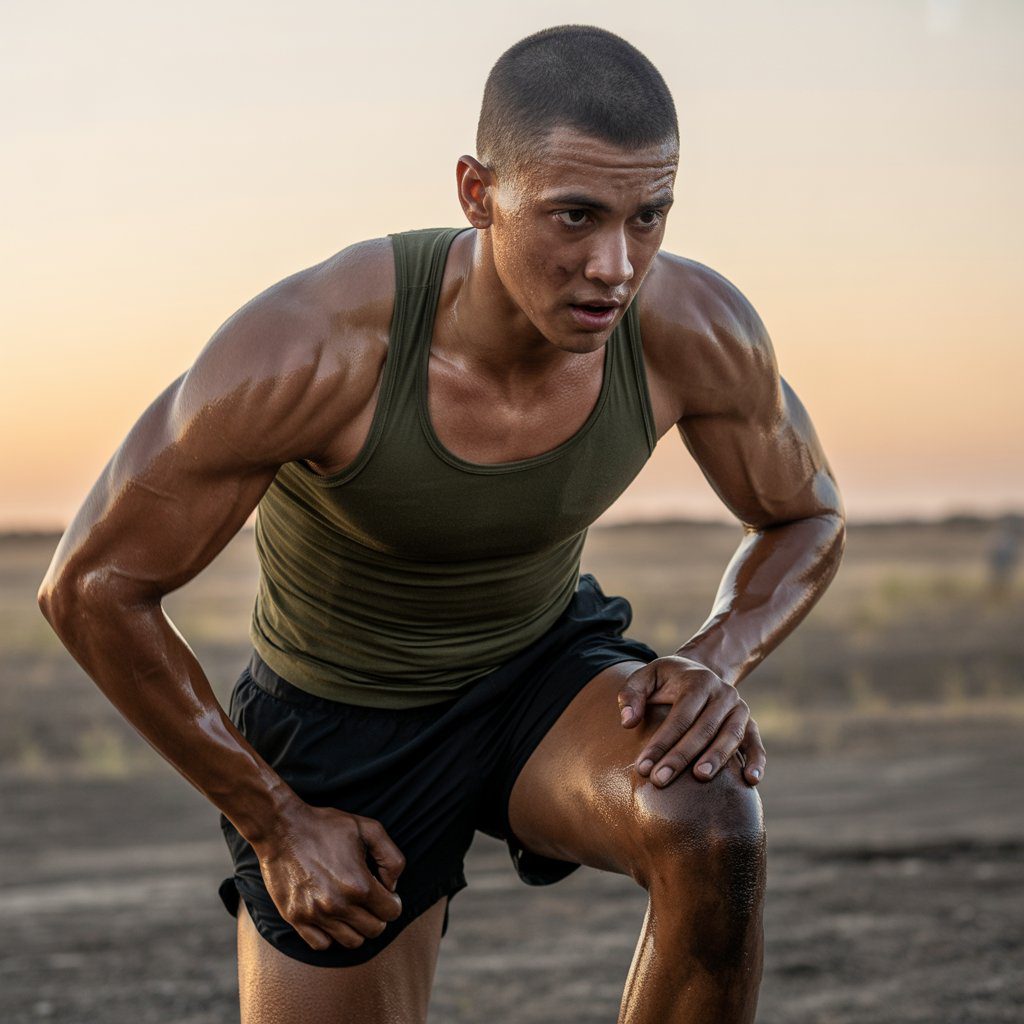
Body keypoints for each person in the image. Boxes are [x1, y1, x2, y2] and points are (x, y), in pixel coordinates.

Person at [37, 23, 846, 1024]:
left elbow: (804, 513)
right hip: (340, 727)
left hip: (536, 675)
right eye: (575, 216)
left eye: (649, 217)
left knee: (712, 822)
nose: (613, 264)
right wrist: (275, 819)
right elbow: (91, 585)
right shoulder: (315, 344)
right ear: (477, 193)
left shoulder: (694, 328)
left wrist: (717, 655)